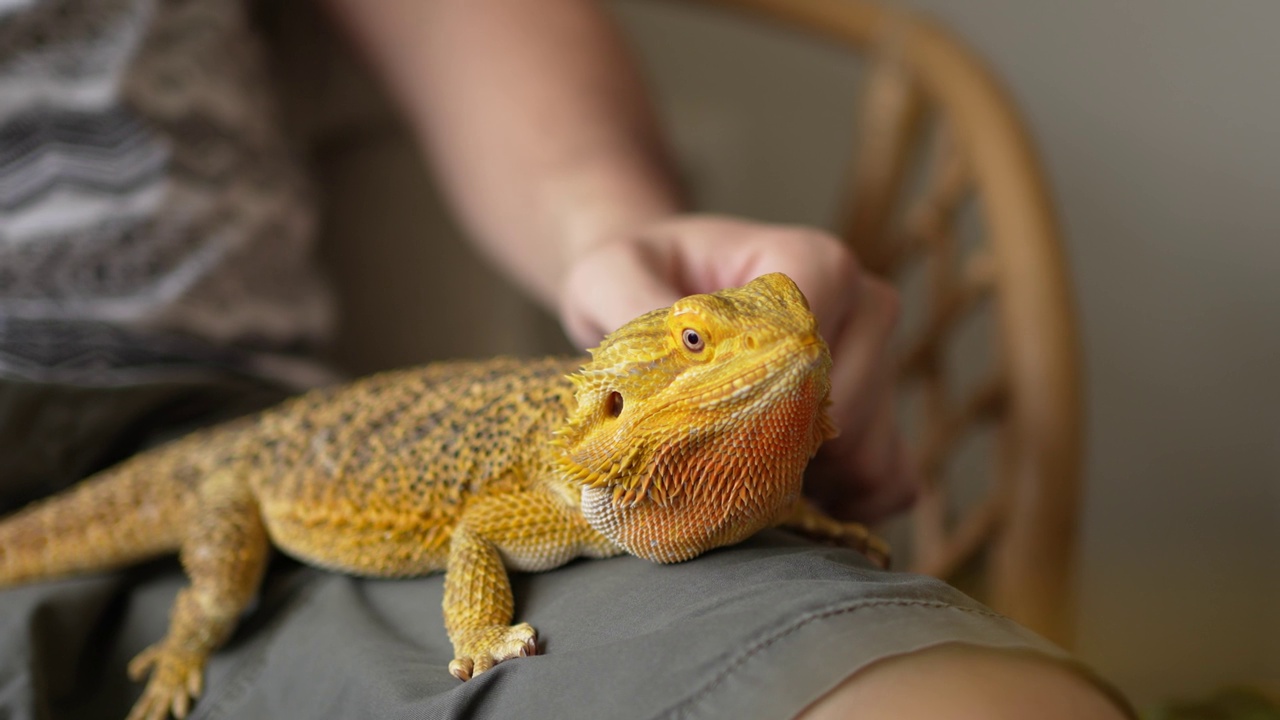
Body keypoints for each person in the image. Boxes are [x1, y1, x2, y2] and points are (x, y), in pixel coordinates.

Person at [0, 0, 1129, 718]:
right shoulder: (548, 492)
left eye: (759, 326)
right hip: (223, 481)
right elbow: (483, 530)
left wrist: (606, 223)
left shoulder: (621, 469)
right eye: (691, 344)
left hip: (170, 387)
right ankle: (193, 628)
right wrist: (482, 635)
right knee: (217, 581)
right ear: (620, 392)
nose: (780, 351)